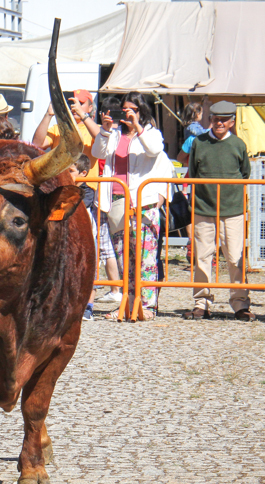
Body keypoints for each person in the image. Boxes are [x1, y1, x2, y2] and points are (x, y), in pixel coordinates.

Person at [92, 92, 172, 320]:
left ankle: (148, 305)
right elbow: (97, 153)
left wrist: (138, 126)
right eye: (124, 110)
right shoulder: (114, 134)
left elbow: (154, 150)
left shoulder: (151, 133)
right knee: (122, 257)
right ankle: (126, 303)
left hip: (142, 203)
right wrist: (105, 130)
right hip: (116, 202)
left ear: (141, 111)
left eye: (132, 110)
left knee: (145, 257)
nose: (127, 114)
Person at [181, 101, 254, 321]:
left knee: (235, 258)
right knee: (202, 257)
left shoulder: (238, 145)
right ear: (209, 120)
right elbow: (193, 171)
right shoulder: (199, 143)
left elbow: (245, 173)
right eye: (215, 119)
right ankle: (202, 302)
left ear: (232, 121)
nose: (219, 123)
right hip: (204, 208)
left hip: (232, 210)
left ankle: (240, 304)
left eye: (224, 119)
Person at [88, 96, 123, 305]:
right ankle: (114, 287)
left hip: (108, 191)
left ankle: (116, 287)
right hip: (104, 194)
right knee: (106, 244)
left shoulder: (119, 135)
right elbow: (97, 151)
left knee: (109, 244)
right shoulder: (106, 133)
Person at [33, 88, 100, 179]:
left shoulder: (95, 128)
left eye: (80, 103)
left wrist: (82, 114)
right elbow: (37, 144)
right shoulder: (57, 128)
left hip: (86, 183)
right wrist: (48, 115)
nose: (75, 106)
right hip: (60, 181)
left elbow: (100, 138)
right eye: (71, 103)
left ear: (90, 108)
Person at [68, 154, 96, 320]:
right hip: (69, 237)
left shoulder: (87, 191)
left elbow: (78, 208)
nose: (67, 174)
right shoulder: (64, 189)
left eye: (71, 171)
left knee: (88, 270)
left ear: (83, 173)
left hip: (86, 236)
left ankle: (88, 307)